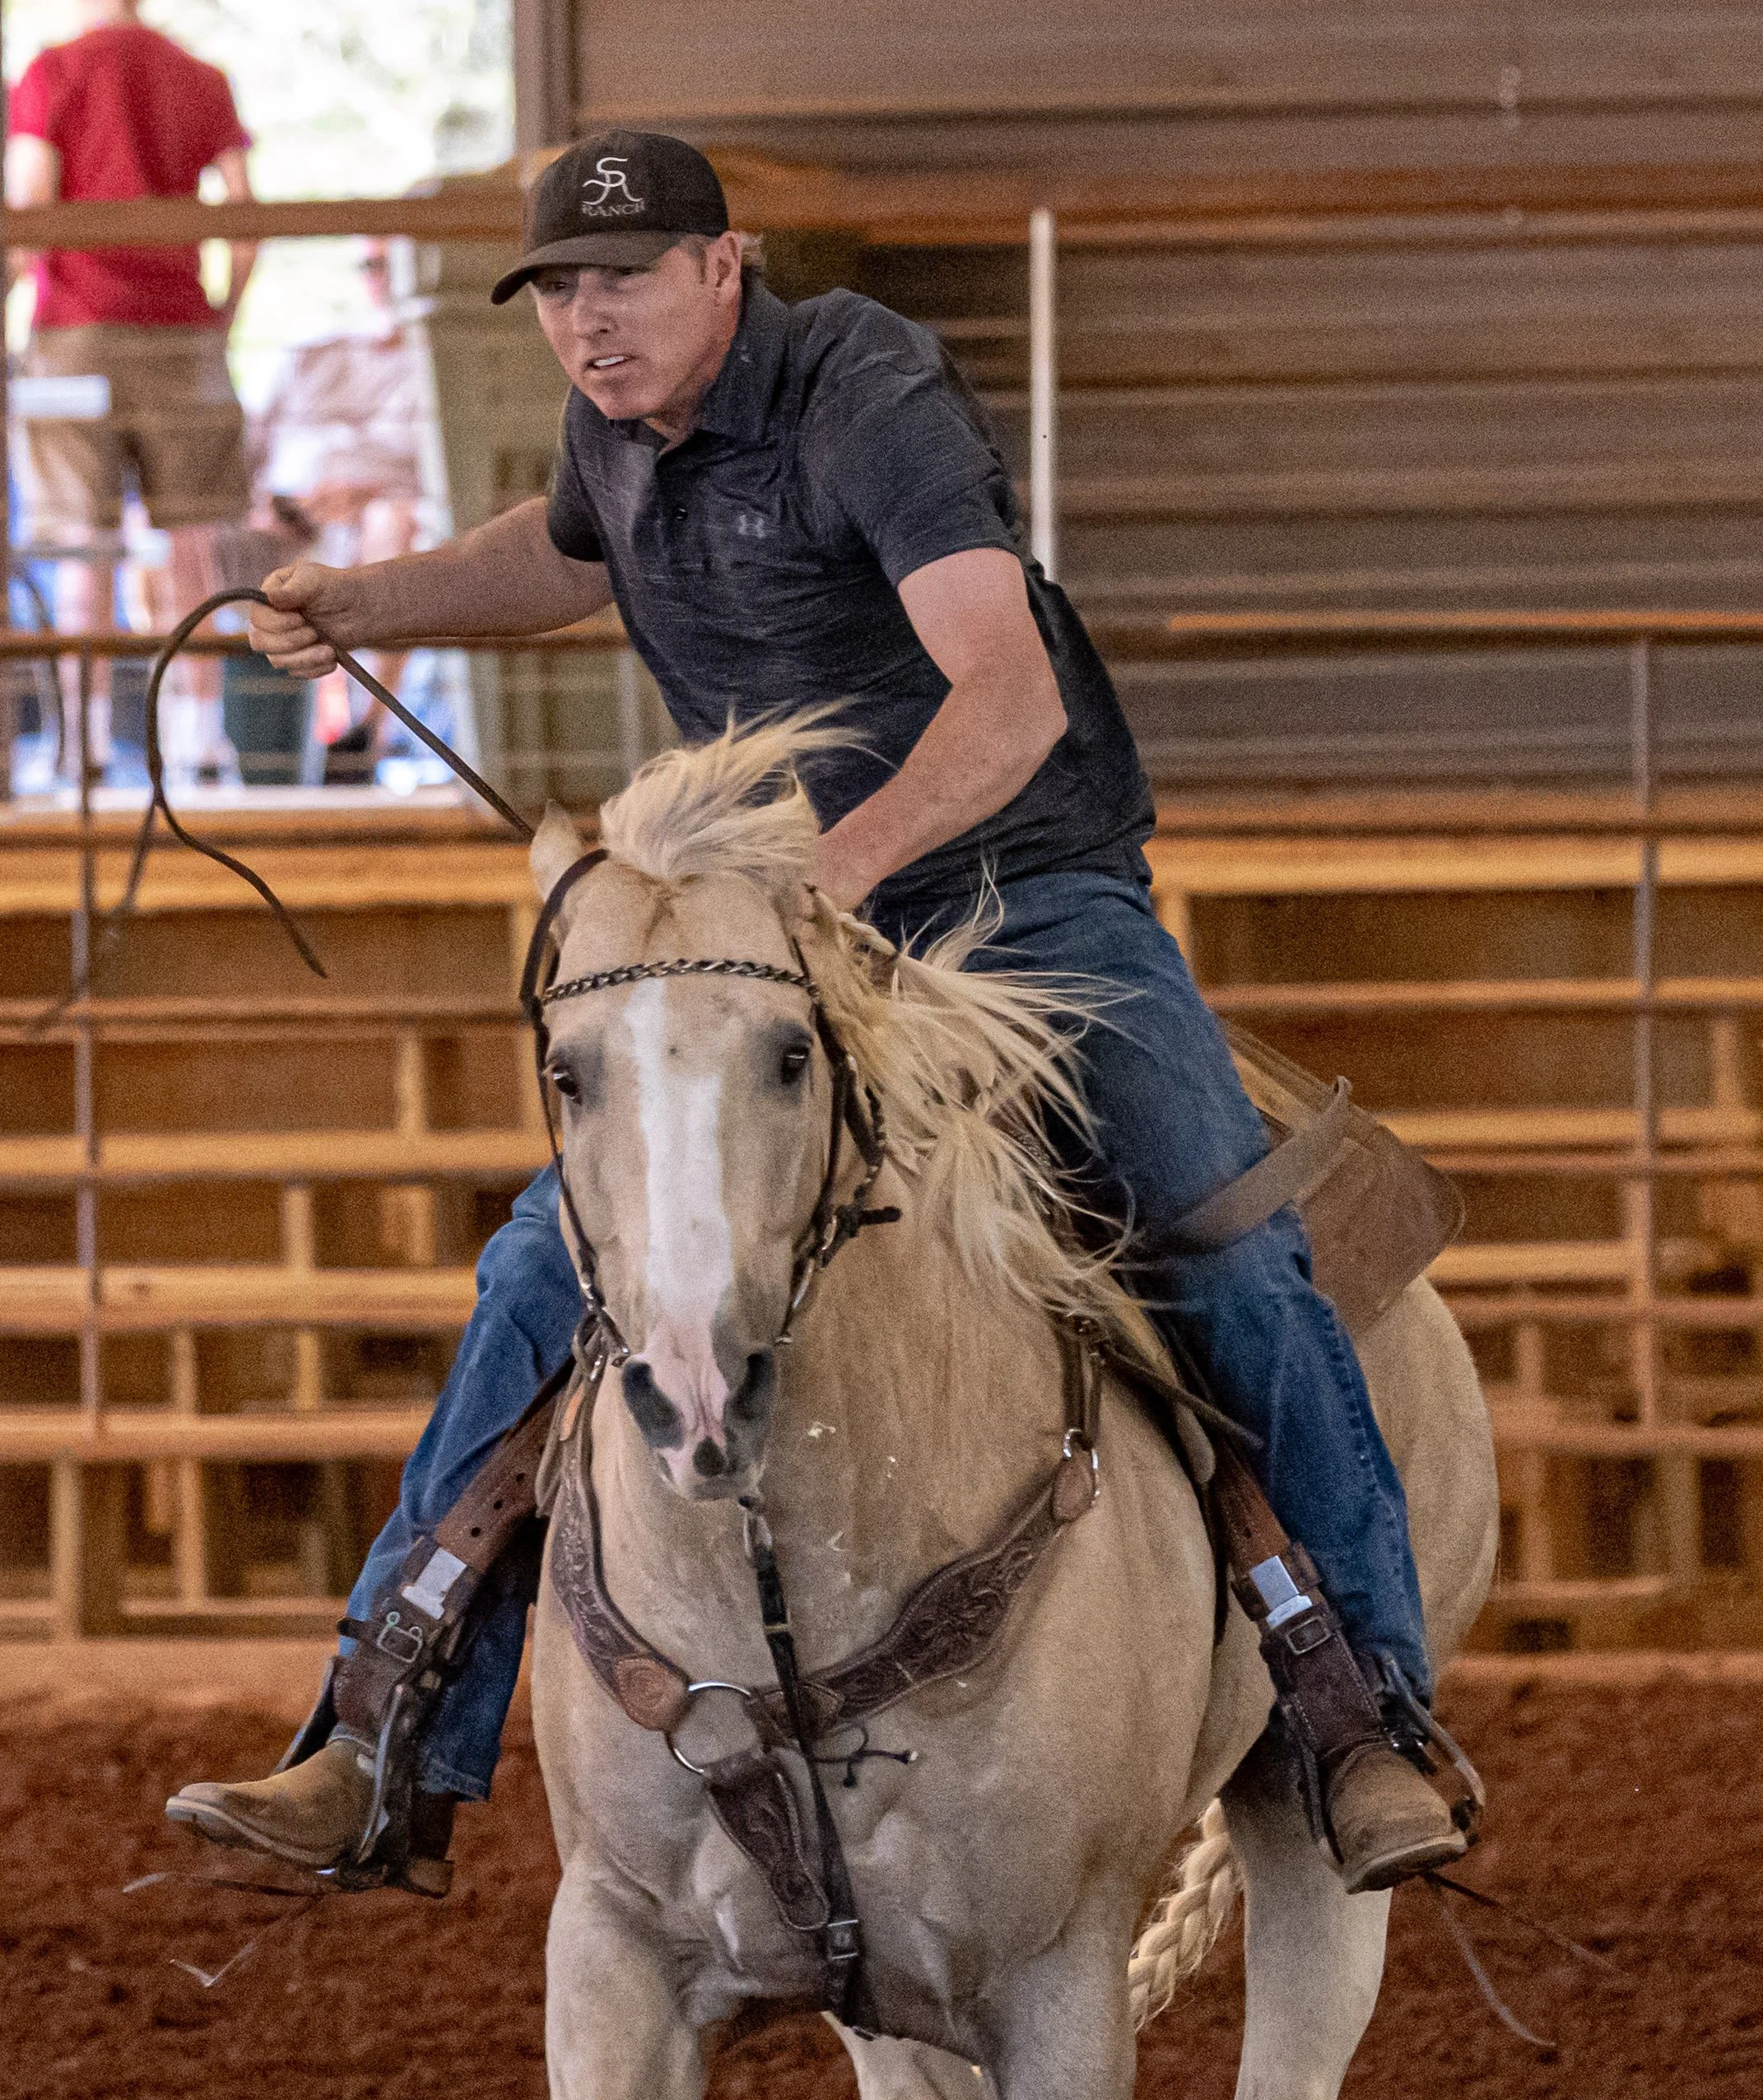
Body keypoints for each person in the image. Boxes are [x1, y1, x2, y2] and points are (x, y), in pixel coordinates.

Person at [167, 129, 1471, 1902]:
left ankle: (1362, 1711)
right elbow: (569, 555)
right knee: (549, 1264)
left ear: (726, 267)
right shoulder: (616, 422)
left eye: (621, 281)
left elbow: (1004, 701)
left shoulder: (866, 386)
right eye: (556, 291)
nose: (585, 322)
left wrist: (818, 888)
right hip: (783, 935)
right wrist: (368, 602)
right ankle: (385, 1728)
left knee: (1223, 1241)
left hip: (1020, 896)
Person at [5, 0, 256, 785]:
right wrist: (222, 315)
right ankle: (202, 742)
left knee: (85, 543)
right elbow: (246, 213)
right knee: (194, 543)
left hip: (75, 332)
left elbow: (28, 205)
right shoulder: (199, 77)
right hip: (183, 329)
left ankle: (81, 744)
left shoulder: (52, 72)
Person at [250, 240, 430, 779]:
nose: (379, 278)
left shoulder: (429, 363)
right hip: (295, 515)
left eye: (390, 265)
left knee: (391, 533)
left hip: (382, 510)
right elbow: (251, 453)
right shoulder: (311, 353)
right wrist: (282, 504)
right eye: (370, 265)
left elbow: (436, 469)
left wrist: (365, 495)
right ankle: (220, 748)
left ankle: (367, 728)